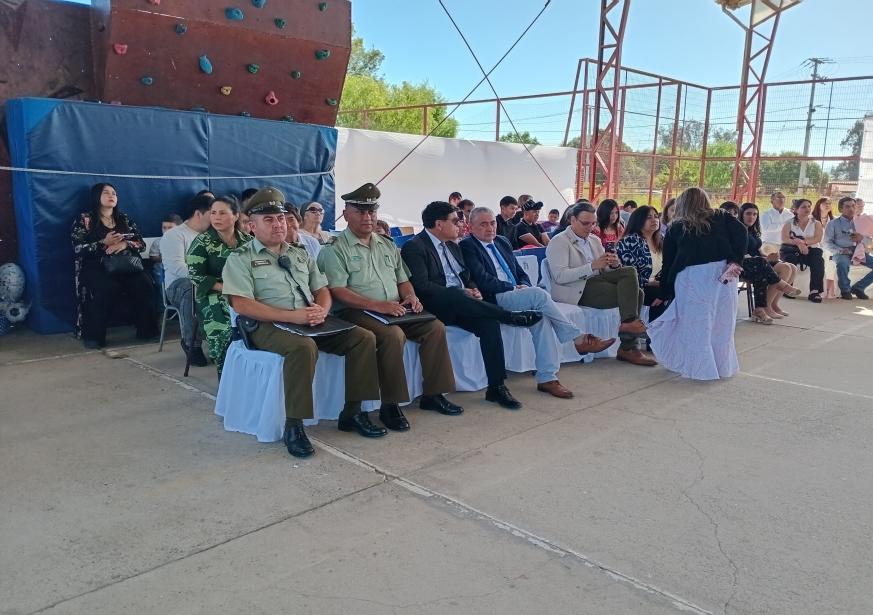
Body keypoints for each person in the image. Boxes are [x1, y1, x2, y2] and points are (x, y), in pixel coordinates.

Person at [222, 187, 381, 458]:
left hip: (308, 320)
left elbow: (322, 289)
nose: (278, 224)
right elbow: (242, 304)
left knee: (363, 338)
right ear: (251, 226)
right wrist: (292, 316)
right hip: (267, 325)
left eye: (280, 218)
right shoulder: (241, 258)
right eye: (269, 220)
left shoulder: (299, 253)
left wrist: (322, 310)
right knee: (303, 348)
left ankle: (353, 412)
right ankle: (294, 425)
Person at [317, 183, 462, 432]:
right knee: (393, 336)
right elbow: (337, 290)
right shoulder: (335, 248)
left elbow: (402, 279)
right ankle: (390, 404)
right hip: (355, 310)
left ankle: (433, 394)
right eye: (360, 212)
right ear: (346, 214)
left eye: (371, 211)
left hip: (393, 308)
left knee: (434, 327)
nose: (367, 217)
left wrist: (411, 297)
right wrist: (377, 305)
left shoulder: (386, 244)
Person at [401, 201, 544, 410]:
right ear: (439, 224)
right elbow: (422, 286)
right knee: (455, 293)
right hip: (436, 304)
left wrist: (472, 288)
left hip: (463, 304)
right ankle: (508, 316)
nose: (460, 225)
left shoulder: (452, 245)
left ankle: (496, 387)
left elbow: (466, 276)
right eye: (455, 221)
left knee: (489, 325)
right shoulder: (415, 247)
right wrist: (461, 292)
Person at [461, 207, 613, 398]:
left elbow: (520, 273)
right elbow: (482, 279)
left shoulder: (501, 241)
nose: (490, 228)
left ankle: (547, 378)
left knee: (541, 318)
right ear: (471, 226)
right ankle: (576, 338)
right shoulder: (468, 246)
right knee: (539, 295)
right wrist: (512, 287)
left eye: (492, 223)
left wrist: (523, 286)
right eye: (483, 224)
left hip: (516, 293)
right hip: (494, 297)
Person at [648, 187, 747, 380]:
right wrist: (735, 260)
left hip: (692, 278)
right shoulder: (722, 217)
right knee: (722, 323)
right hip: (723, 274)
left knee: (695, 325)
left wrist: (664, 292)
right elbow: (742, 233)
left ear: (682, 203)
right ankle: (722, 367)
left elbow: (669, 263)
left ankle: (699, 369)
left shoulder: (677, 227)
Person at [545, 201, 655, 366]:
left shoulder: (594, 240)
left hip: (596, 282)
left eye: (593, 223)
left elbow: (603, 270)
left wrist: (614, 264)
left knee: (630, 273)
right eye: (585, 223)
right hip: (575, 289)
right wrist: (591, 267)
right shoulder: (559, 241)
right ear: (572, 220)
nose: (590, 227)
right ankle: (628, 345)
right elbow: (560, 276)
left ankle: (628, 327)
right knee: (637, 293)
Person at [71, 183, 159, 348]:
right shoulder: (85, 220)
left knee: (144, 283)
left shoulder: (124, 219)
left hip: (126, 265)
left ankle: (147, 331)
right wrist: (103, 243)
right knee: (104, 288)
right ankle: (95, 337)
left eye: (114, 193)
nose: (111, 196)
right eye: (106, 193)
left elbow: (141, 244)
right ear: (96, 196)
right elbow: (77, 248)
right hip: (98, 267)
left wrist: (125, 244)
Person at [186, 195, 251, 379]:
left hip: (245, 292)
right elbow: (195, 275)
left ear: (236, 216)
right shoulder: (202, 242)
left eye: (222, 213)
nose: (216, 217)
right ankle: (226, 381)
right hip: (213, 295)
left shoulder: (248, 242)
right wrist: (226, 288)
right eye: (213, 213)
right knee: (224, 331)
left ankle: (250, 378)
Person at [162, 192, 213, 365]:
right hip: (177, 286)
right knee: (191, 288)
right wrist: (205, 280)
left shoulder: (212, 235)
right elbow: (177, 267)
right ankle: (192, 343)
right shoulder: (174, 235)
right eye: (212, 213)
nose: (215, 218)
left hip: (207, 281)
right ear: (198, 213)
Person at [738, 202, 803, 323]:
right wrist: (764, 259)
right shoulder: (738, 231)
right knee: (767, 268)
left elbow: (757, 251)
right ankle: (767, 305)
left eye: (755, 214)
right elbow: (739, 254)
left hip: (758, 262)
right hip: (743, 265)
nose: (752, 217)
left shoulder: (752, 231)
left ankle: (773, 304)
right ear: (741, 214)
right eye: (748, 214)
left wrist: (769, 257)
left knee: (790, 267)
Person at [616, 205, 667, 322]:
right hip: (636, 287)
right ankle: (651, 330)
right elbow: (629, 274)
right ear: (638, 220)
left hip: (657, 284)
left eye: (656, 216)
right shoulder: (630, 241)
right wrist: (653, 283)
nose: (654, 220)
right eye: (649, 217)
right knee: (661, 294)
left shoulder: (661, 239)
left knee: (673, 291)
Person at [824, 196, 873, 300]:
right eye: (847, 206)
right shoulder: (833, 223)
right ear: (840, 209)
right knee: (842, 263)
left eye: (853, 206)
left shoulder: (861, 222)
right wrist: (841, 250)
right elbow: (827, 243)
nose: (851, 209)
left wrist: (862, 238)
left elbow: (869, 242)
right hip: (840, 252)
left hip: (859, 252)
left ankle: (858, 287)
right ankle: (845, 290)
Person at [780, 198, 826, 303]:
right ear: (796, 209)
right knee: (790, 259)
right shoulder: (789, 223)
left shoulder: (816, 223)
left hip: (811, 250)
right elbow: (784, 238)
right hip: (792, 250)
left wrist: (803, 243)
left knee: (818, 262)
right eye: (803, 207)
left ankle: (814, 291)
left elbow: (817, 238)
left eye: (809, 206)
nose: (807, 209)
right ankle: (788, 288)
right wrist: (798, 243)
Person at [812, 197, 837, 298]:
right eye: (825, 203)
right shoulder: (811, 219)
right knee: (824, 257)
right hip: (814, 247)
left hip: (829, 249)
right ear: (819, 205)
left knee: (831, 262)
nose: (828, 205)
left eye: (829, 203)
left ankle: (828, 291)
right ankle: (819, 291)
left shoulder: (835, 220)